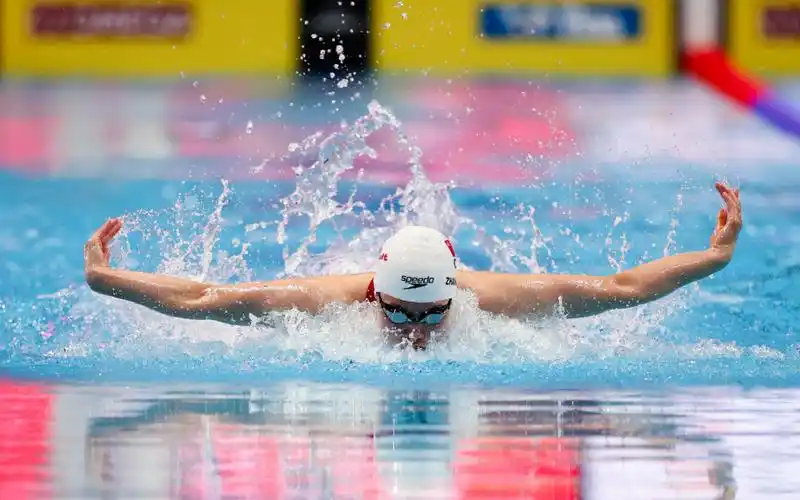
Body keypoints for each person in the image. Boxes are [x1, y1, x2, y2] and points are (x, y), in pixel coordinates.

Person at [85, 182, 742, 349]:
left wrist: (713, 257)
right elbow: (204, 297)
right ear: (374, 290)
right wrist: (105, 278)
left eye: (431, 313)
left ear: (456, 294)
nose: (415, 329)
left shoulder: (499, 299)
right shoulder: (321, 300)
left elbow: (622, 287)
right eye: (397, 310)